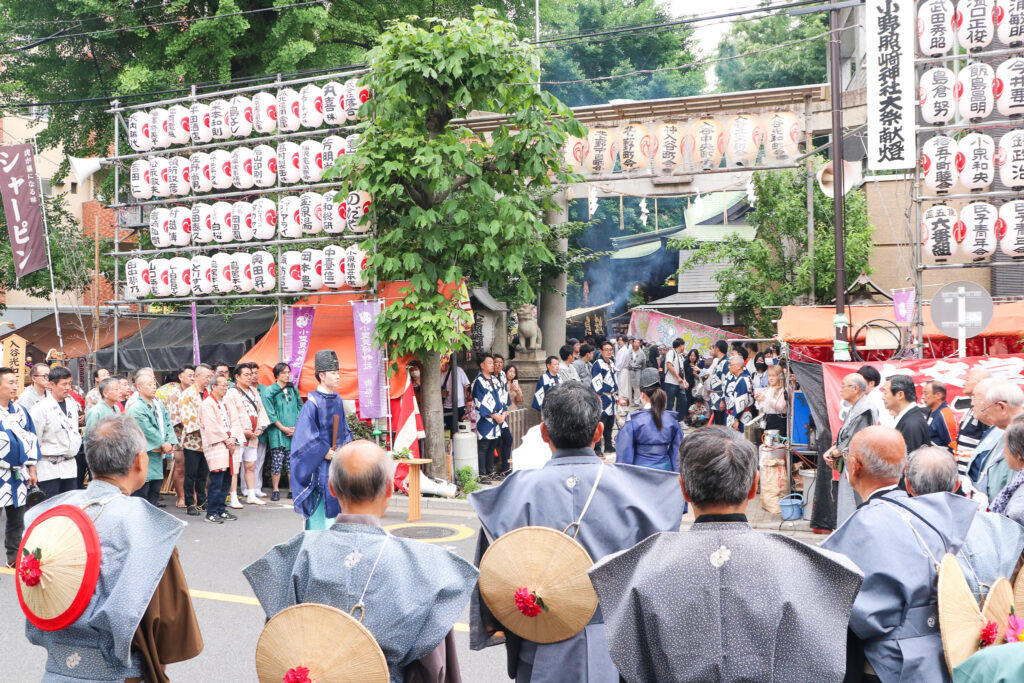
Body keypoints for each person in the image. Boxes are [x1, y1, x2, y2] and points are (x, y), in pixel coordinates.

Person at [590, 426, 863, 683]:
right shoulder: (804, 567)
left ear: (683, 488)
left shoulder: (642, 568)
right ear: (754, 486)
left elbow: (630, 664)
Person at [469, 381, 684, 683]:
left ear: (544, 433)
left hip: (541, 640)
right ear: (598, 432)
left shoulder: (514, 492)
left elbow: (494, 579)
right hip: (618, 647)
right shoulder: (639, 491)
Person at [244, 440, 477, 682]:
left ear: (332, 488)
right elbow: (435, 668)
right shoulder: (424, 566)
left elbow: (278, 645)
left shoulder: (298, 554)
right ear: (389, 489)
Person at [21, 414, 202, 680]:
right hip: (118, 670)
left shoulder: (52, 512)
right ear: (140, 461)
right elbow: (165, 622)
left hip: (57, 666)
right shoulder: (146, 525)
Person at [822, 426, 984, 683]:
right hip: (951, 651)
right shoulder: (935, 511)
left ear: (854, 466)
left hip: (888, 664)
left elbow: (856, 616)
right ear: (904, 466)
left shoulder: (864, 525)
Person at [904, 444, 1024, 604]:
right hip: (995, 616)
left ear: (908, 486)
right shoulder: (997, 527)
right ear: (957, 485)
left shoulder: (900, 533)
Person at [290, 350, 354, 529]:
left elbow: (345, 428)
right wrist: (324, 451)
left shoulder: (338, 399)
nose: (338, 377)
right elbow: (304, 435)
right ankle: (317, 541)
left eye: (337, 372)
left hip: (337, 461)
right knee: (324, 499)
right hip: (320, 465)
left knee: (339, 497)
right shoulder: (312, 402)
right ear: (322, 375)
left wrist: (344, 448)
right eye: (334, 373)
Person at [821, 373, 877, 529]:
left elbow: (856, 440)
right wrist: (832, 450)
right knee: (846, 504)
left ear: (855, 388)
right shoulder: (855, 407)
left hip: (857, 465)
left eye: (843, 386)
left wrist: (833, 454)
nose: (840, 390)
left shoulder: (865, 409)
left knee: (851, 504)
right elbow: (844, 437)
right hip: (849, 464)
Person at [0, 366, 38, 567]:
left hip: (19, 473)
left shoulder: (20, 411)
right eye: (10, 383)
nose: (15, 386)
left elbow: (31, 439)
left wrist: (32, 470)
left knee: (17, 519)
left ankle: (14, 558)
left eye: (16, 382)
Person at [615, 368, 683, 472]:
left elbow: (624, 455)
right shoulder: (672, 420)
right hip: (665, 471)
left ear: (642, 395)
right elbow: (677, 455)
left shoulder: (633, 421)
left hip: (640, 472)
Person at [28, 366, 81, 499]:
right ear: (52, 384)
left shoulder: (71, 406)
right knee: (50, 509)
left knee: (68, 507)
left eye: (69, 383)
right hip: (48, 468)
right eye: (64, 384)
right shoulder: (40, 409)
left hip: (69, 466)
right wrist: (32, 469)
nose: (68, 387)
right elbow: (33, 440)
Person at [127, 372, 176, 507]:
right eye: (149, 385)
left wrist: (169, 441)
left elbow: (168, 423)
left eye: (154, 384)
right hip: (144, 454)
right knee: (142, 491)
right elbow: (147, 429)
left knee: (155, 490)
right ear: (139, 388)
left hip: (157, 454)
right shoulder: (136, 408)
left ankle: (152, 519)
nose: (154, 387)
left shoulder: (159, 405)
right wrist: (162, 443)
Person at [972, 380, 1024, 504]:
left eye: (986, 409)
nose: (985, 413)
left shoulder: (1018, 432)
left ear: (1001, 407)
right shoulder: (1002, 430)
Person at [200, 374, 242, 524]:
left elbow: (236, 421)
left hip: (230, 443)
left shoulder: (226, 402)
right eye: (223, 385)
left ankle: (221, 509)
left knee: (227, 479)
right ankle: (211, 512)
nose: (226, 388)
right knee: (217, 479)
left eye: (227, 385)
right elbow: (212, 426)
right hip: (217, 444)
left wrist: (233, 438)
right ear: (214, 387)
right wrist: (226, 439)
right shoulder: (207, 403)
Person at [227, 363, 270, 506]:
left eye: (250, 374)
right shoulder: (231, 392)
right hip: (239, 435)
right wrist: (243, 431)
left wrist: (260, 428)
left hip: (253, 435)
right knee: (235, 468)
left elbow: (261, 411)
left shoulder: (253, 391)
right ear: (237, 377)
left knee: (251, 465)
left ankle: (251, 494)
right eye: (246, 375)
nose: (250, 377)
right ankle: (233, 496)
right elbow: (231, 415)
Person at [156, 366, 194, 509]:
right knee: (180, 467)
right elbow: (174, 420)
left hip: (196, 437)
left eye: (194, 375)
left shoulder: (196, 393)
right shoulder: (174, 394)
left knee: (195, 469)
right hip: (179, 435)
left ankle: (194, 496)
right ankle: (181, 497)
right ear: (180, 377)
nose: (192, 378)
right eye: (189, 375)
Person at [262, 362, 301, 502]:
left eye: (288, 372)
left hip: (293, 430)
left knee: (292, 462)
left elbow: (299, 406)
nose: (287, 375)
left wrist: (296, 426)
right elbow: (270, 413)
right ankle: (276, 489)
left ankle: (292, 489)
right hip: (277, 432)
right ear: (277, 374)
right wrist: (283, 428)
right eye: (284, 372)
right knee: (277, 462)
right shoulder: (269, 391)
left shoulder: (293, 389)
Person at [179, 363, 212, 517]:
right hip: (193, 440)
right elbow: (188, 419)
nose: (209, 379)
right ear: (197, 376)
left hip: (206, 440)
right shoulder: (187, 394)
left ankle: (202, 500)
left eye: (210, 377)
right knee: (191, 473)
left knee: (203, 473)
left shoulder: (208, 392)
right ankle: (189, 502)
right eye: (207, 376)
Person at [472, 353, 509, 479]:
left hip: (497, 418)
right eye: (490, 363)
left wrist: (503, 413)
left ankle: (490, 471)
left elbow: (502, 397)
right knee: (484, 445)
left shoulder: (495, 380)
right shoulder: (479, 381)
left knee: (493, 444)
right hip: (485, 419)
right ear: (482, 365)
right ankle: (482, 473)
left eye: (493, 363)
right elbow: (480, 402)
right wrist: (495, 415)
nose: (493, 365)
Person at [955, 368, 993, 479]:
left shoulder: (986, 411)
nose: (963, 383)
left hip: (974, 477)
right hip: (963, 475)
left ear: (980, 383)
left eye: (967, 380)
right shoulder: (972, 408)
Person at [882, 374, 931, 454]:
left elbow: (911, 462)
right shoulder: (910, 418)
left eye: (885, 392)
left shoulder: (911, 425)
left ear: (900, 395)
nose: (883, 397)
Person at [590, 341, 619, 457]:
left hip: (611, 396)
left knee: (610, 424)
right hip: (602, 396)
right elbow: (596, 382)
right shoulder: (598, 364)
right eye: (606, 349)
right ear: (601, 351)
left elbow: (615, 380)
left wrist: (617, 395)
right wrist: (598, 396)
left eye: (610, 350)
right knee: (600, 423)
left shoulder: (611, 363)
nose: (609, 352)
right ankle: (597, 448)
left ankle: (608, 445)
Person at [922, 380, 958, 450]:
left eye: (926, 394)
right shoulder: (932, 412)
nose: (923, 397)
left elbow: (953, 446)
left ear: (938, 395)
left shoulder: (946, 415)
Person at [722, 354, 754, 433]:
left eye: (731, 364)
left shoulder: (743, 380)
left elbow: (741, 402)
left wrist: (736, 419)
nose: (729, 367)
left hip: (741, 417)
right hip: (737, 414)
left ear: (739, 366)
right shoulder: (744, 378)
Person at [755, 364, 788, 434]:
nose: (771, 378)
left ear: (779, 377)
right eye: (769, 376)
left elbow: (781, 407)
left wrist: (765, 399)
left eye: (773, 376)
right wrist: (759, 401)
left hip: (778, 420)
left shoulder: (782, 389)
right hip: (766, 419)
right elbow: (761, 409)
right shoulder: (768, 389)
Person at [441, 354, 470, 423]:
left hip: (460, 405)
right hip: (446, 406)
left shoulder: (458, 370)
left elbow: (467, 386)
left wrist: (468, 401)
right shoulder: (438, 373)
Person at [707, 340, 730, 425]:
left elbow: (725, 383)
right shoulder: (718, 362)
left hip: (720, 397)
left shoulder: (726, 362)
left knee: (720, 422)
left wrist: (723, 400)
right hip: (715, 396)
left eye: (714, 347)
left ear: (717, 349)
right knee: (717, 421)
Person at [662, 338, 685, 415]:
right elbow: (669, 366)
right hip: (671, 382)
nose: (684, 347)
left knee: (682, 402)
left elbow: (682, 370)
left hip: (679, 384)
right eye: (683, 345)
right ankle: (668, 420)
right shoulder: (671, 352)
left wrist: (684, 380)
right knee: (670, 403)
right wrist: (678, 377)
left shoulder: (680, 356)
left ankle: (679, 420)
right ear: (680, 345)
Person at [627, 338, 646, 406]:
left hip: (638, 371)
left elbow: (644, 363)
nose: (636, 344)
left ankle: (637, 402)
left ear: (640, 344)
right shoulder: (630, 351)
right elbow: (627, 360)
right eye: (635, 342)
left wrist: (642, 371)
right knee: (630, 386)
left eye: (638, 343)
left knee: (637, 387)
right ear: (633, 343)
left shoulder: (642, 353)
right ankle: (629, 400)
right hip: (630, 370)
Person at [614, 335, 631, 403]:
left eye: (621, 340)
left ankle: (623, 409)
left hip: (622, 371)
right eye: (619, 340)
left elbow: (620, 363)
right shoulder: (622, 349)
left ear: (625, 341)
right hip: (622, 370)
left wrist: (615, 371)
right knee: (623, 389)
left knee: (622, 389)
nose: (619, 341)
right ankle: (623, 408)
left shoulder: (623, 350)